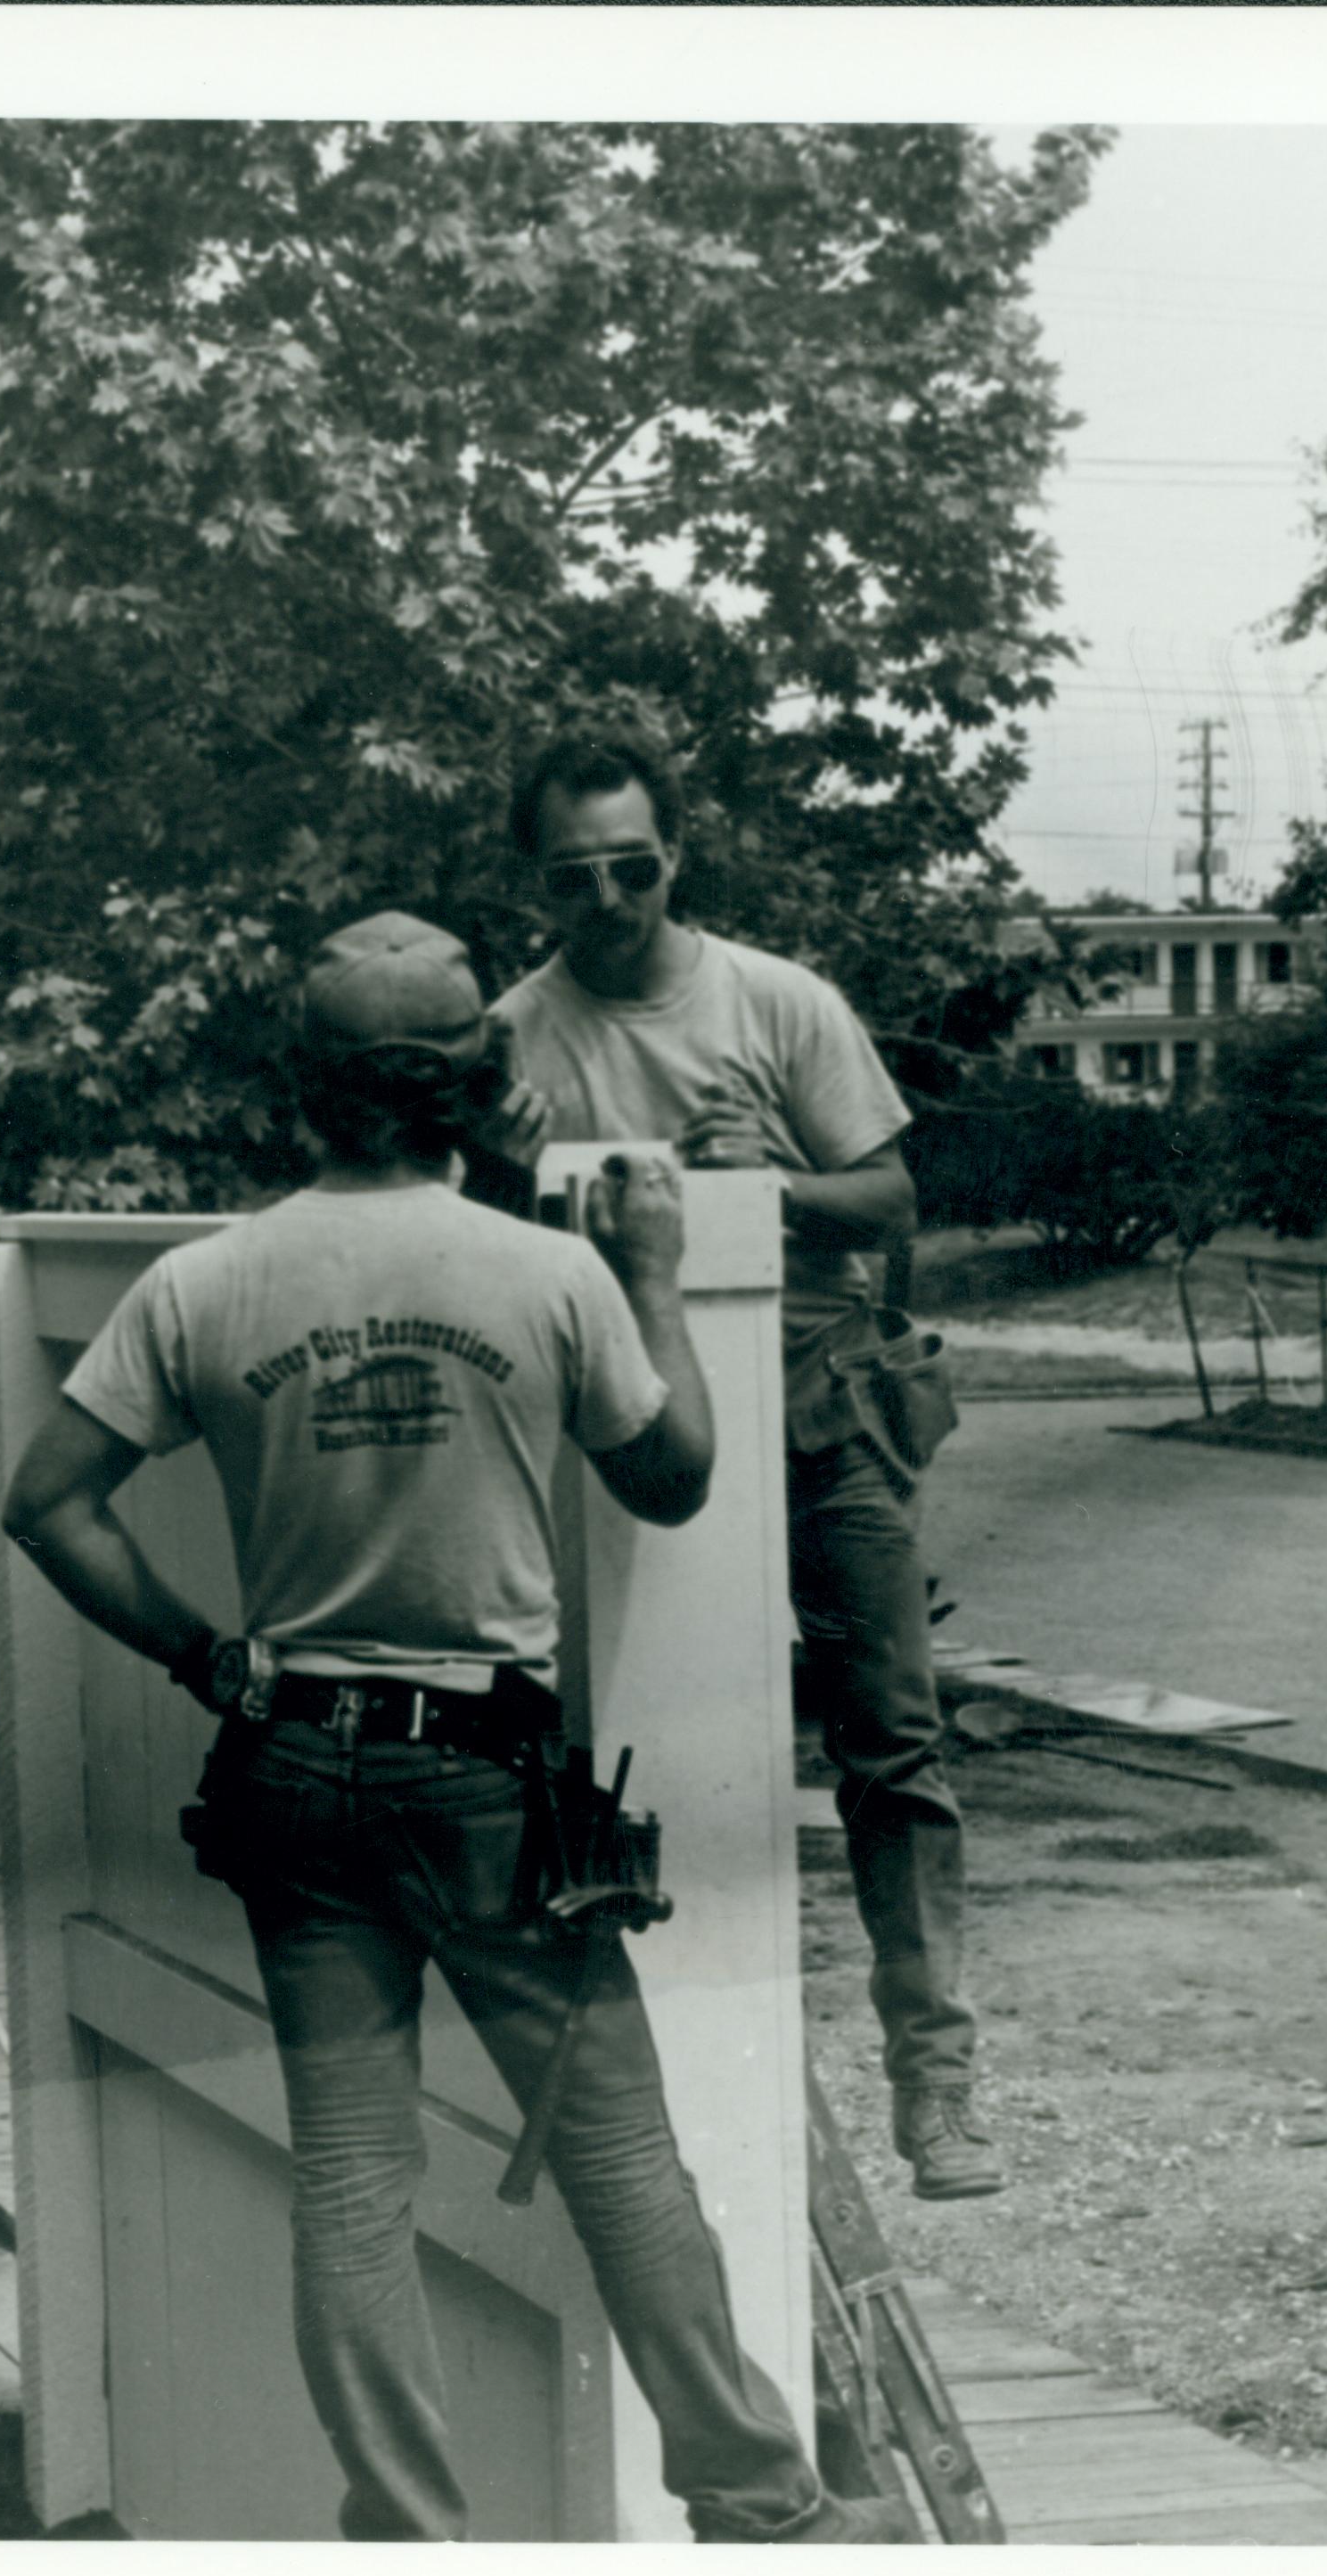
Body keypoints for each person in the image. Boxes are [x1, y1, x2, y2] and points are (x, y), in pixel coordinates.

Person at [0, 912, 909, 2545]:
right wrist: (652, 1283)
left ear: (305, 1094)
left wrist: (209, 1660)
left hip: (289, 1772)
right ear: (476, 1087)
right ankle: (765, 2512)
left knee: (353, 2177)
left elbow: (49, 1505)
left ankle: (418, 2555)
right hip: (485, 1788)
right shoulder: (546, 1273)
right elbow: (675, 1476)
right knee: (625, 2160)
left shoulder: (206, 1281)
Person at [479, 728, 1000, 2201]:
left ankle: (936, 2082)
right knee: (599, 1737)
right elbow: (475, 1246)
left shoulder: (776, 1000)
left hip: (820, 1399)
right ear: (537, 882)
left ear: (675, 857)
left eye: (634, 867)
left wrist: (767, 1182)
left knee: (891, 1736)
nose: (609, 901)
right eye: (574, 878)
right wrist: (489, 1162)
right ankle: (634, 2087)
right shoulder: (515, 1034)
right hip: (622, 1420)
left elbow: (891, 1198)